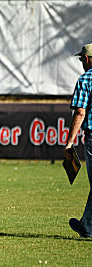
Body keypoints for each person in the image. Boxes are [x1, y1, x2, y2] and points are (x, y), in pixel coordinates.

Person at [64, 43, 92, 238]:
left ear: (88, 59)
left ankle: (87, 227)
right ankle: (86, 226)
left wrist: (69, 142)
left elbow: (80, 112)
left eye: (82, 59)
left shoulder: (85, 80)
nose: (81, 62)